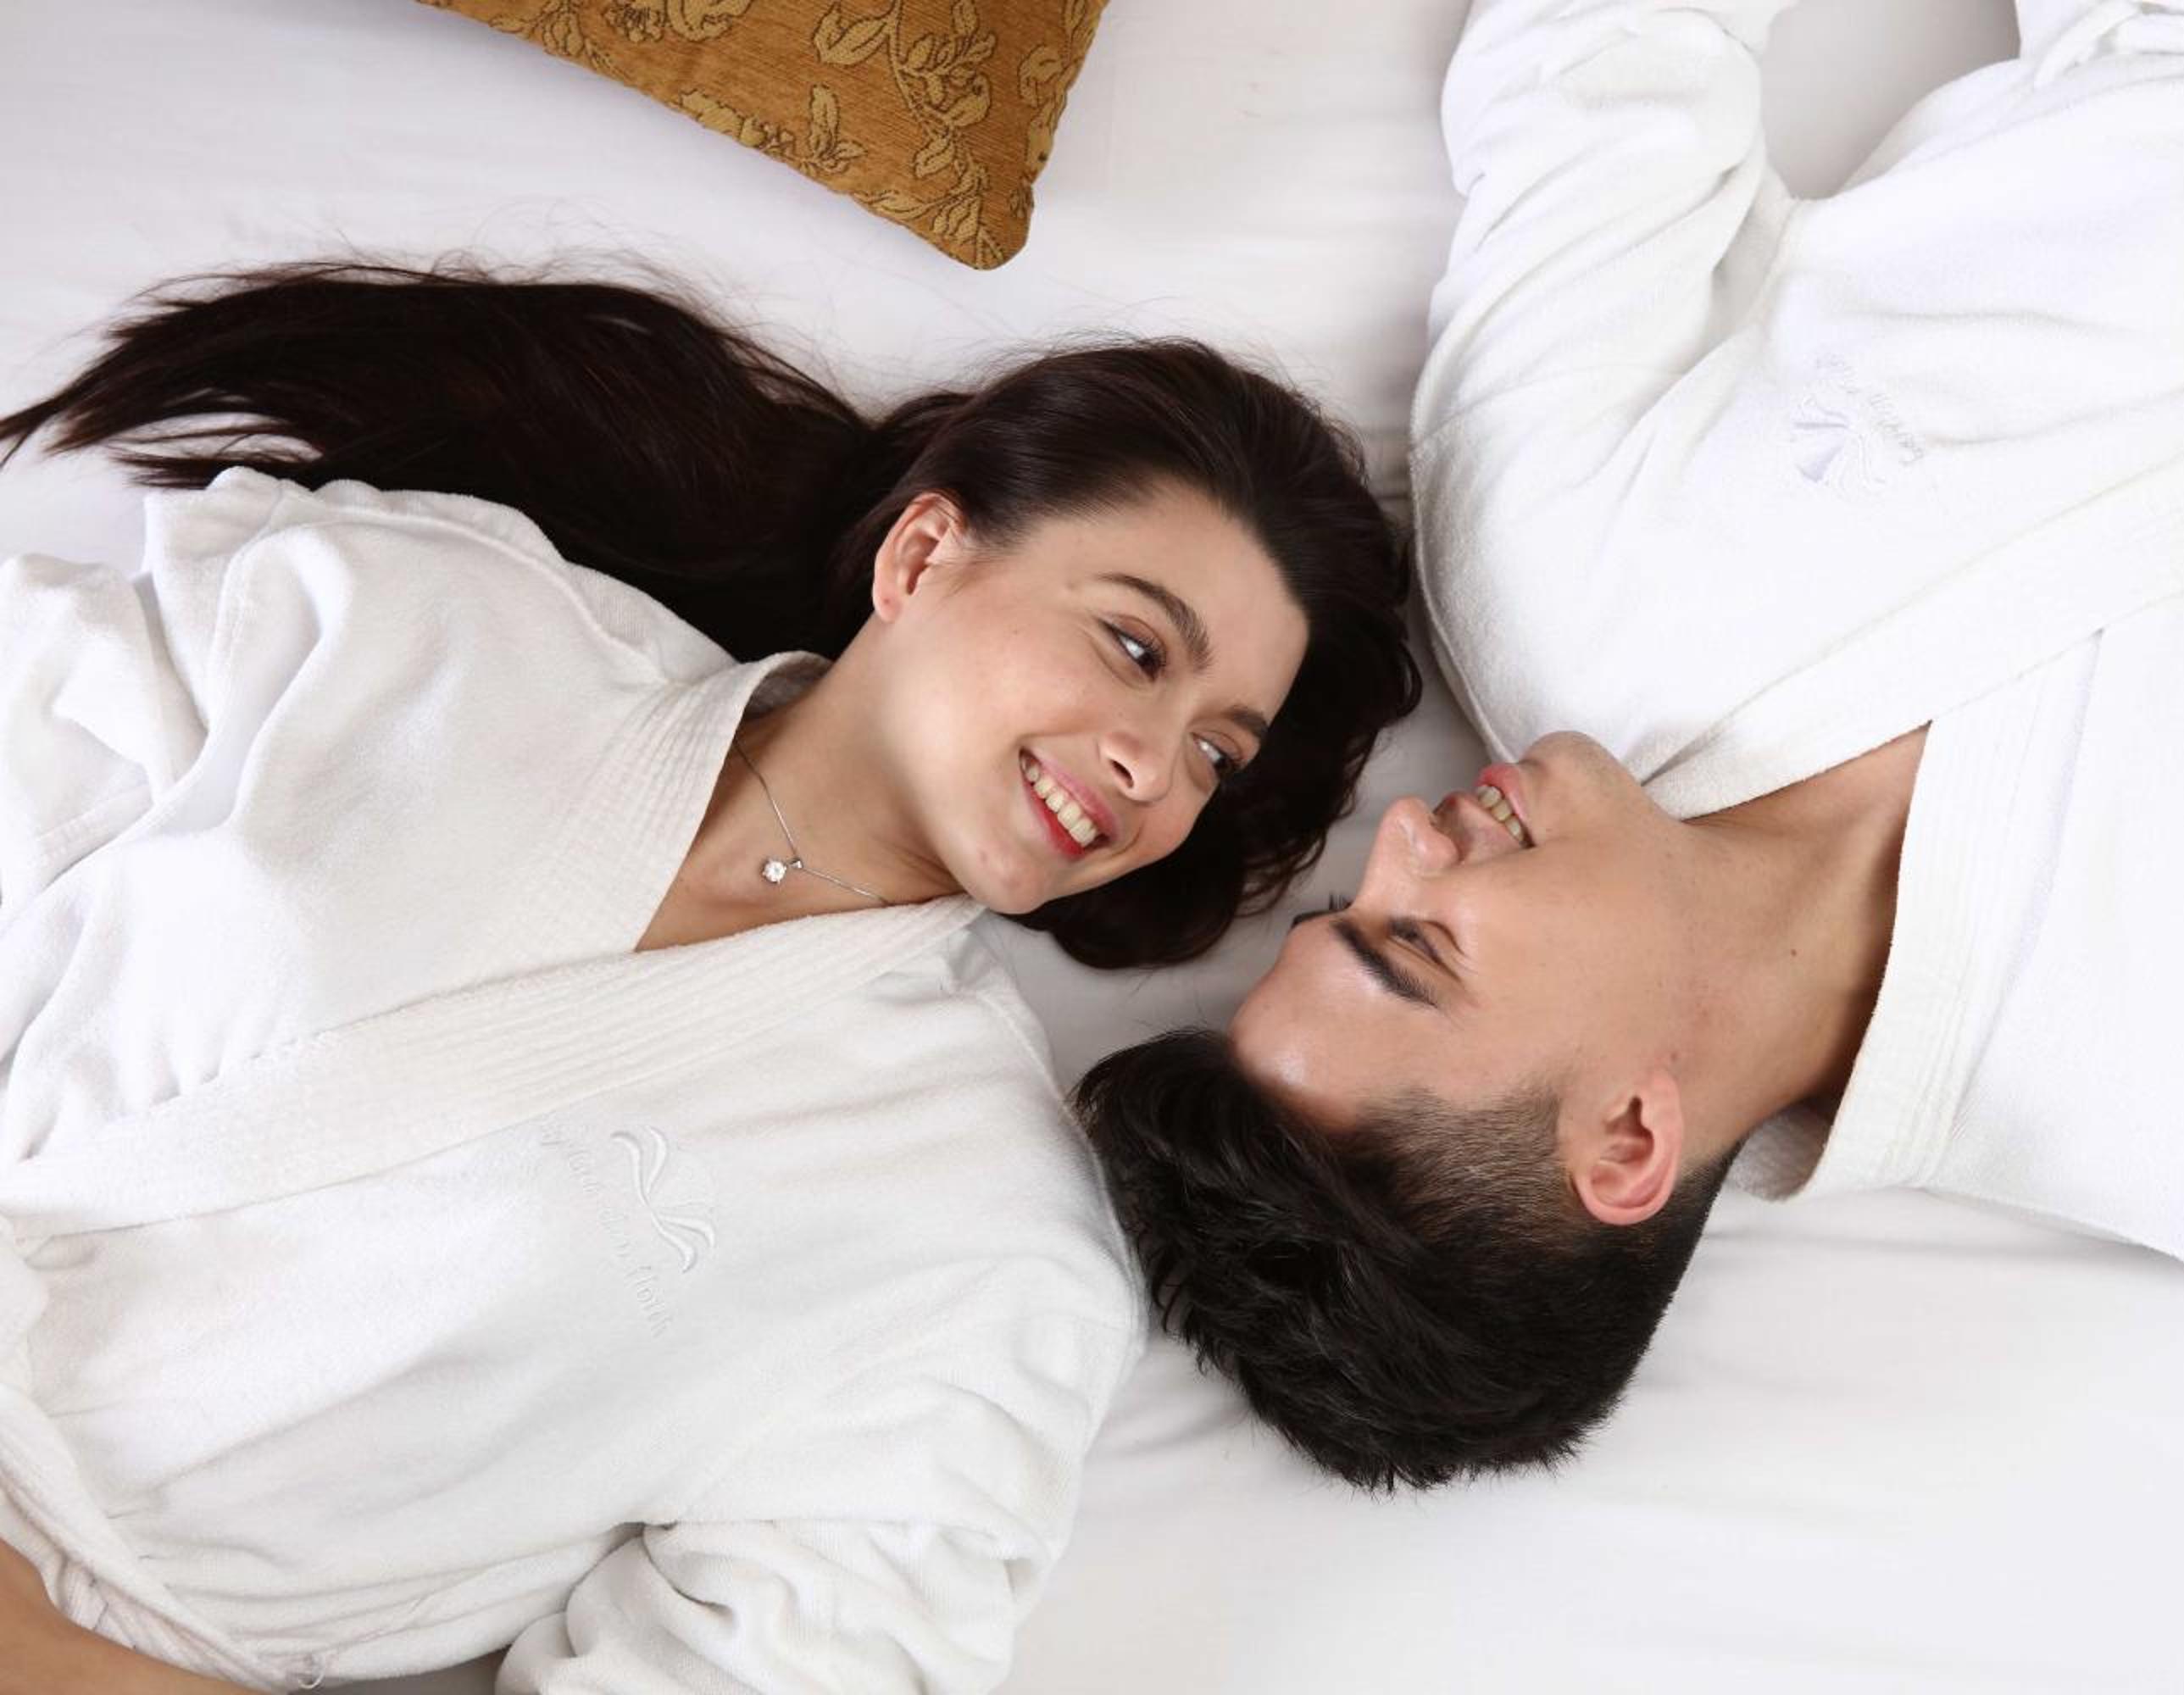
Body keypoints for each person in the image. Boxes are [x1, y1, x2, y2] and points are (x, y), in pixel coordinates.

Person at [1079, 2, 2184, 1492]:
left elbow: (1602, 51)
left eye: (1354, 901)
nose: (1406, 834)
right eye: (1418, 945)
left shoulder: (1548, 573)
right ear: (1629, 1137)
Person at [0, 263, 1419, 1688]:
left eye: (1214, 752)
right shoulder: (438, 623)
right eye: (1134, 646)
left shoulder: (985, 1239)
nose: (1152, 766)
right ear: (926, 555)